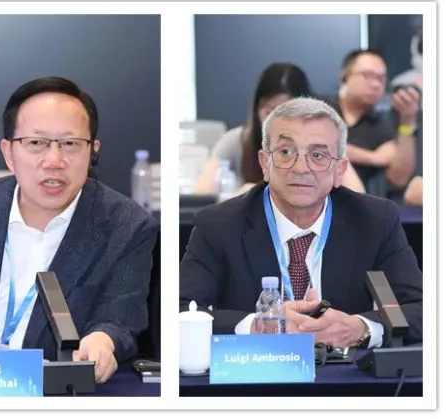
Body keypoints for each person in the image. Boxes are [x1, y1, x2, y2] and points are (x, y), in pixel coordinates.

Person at [0, 77, 158, 384]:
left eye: (70, 144)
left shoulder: (126, 225)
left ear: (92, 152)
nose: (54, 160)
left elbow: (120, 316)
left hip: (51, 392)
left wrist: (102, 341)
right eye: (36, 143)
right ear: (8, 153)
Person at [180, 97, 422, 348]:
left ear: (339, 170)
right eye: (286, 152)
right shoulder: (219, 225)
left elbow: (423, 309)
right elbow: (178, 311)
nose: (301, 168)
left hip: (345, 370)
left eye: (318, 155)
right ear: (265, 164)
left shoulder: (375, 220)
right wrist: (257, 326)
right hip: (256, 368)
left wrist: (361, 328)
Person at [194, 63, 364, 195]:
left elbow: (357, 194)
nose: (275, 123)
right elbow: (200, 195)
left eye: (287, 114)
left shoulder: (324, 141)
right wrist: (239, 199)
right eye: (268, 112)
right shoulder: (237, 140)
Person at [328, 49, 421, 197]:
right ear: (344, 77)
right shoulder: (321, 108)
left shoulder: (382, 122)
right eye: (367, 76)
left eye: (381, 78)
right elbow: (313, 146)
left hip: (362, 202)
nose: (376, 84)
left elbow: (398, 180)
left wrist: (408, 120)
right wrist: (372, 158)